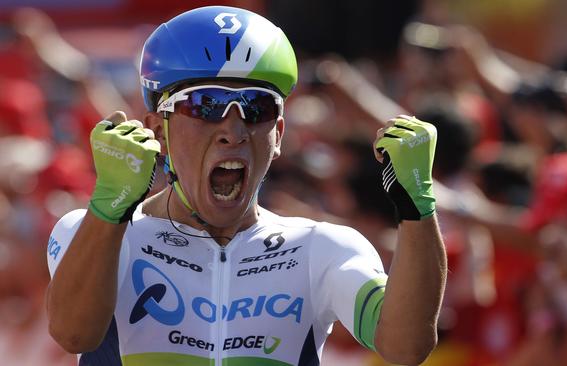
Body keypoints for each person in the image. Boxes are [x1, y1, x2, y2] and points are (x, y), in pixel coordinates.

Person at [45, 6, 447, 365]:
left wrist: (418, 207)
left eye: (257, 108)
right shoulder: (97, 233)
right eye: (205, 105)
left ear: (279, 134)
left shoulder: (320, 249)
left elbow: (405, 347)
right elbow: (74, 334)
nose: (233, 131)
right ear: (157, 130)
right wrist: (109, 208)